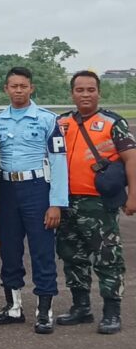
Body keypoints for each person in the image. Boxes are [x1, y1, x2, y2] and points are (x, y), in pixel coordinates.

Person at [55, 71, 136, 334]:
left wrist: (133, 195)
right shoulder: (61, 122)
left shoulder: (112, 122)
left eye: (91, 89)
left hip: (99, 204)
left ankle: (112, 312)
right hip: (67, 202)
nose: (85, 94)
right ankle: (81, 307)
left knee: (107, 257)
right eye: (80, 90)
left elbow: (131, 159)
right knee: (72, 256)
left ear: (99, 92)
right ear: (72, 93)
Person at [0, 66, 67, 334]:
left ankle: (44, 311)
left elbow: (58, 162)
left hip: (37, 189)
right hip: (7, 189)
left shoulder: (48, 120)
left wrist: (56, 203)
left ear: (31, 88)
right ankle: (13, 307)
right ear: (6, 89)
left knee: (42, 251)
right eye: (14, 86)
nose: (18, 90)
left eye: (23, 86)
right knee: (9, 250)